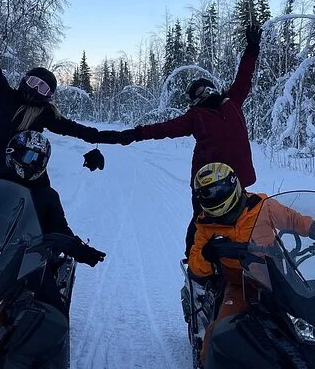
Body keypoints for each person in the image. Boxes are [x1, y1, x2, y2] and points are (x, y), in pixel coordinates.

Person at [99, 23, 263, 258]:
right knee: (201, 223)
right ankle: (194, 264)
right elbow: (166, 128)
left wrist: (252, 49)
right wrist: (137, 133)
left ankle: (240, 261)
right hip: (206, 181)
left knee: (242, 219)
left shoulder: (233, 100)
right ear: (194, 100)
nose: (205, 93)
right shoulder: (195, 115)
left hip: (235, 178)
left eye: (206, 89)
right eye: (199, 92)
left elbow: (244, 76)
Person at [186, 163, 315, 363]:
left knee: (312, 317)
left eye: (217, 192)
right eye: (206, 195)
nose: (213, 198)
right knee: (219, 334)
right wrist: (208, 253)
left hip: (279, 279)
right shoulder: (205, 225)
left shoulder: (262, 206)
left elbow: (294, 220)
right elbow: (196, 267)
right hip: (241, 284)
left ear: (232, 185)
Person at [0, 26, 112, 189]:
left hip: (31, 174)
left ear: (48, 96)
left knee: (49, 203)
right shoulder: (8, 97)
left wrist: (127, 135)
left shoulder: (46, 113)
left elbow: (82, 131)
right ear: (25, 80)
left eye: (42, 88)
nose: (35, 89)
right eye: (33, 82)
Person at [0, 130, 105, 270]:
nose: (34, 164)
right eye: (30, 157)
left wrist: (80, 250)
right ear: (13, 154)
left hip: (29, 264)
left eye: (40, 160)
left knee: (48, 294)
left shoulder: (47, 195)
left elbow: (59, 228)